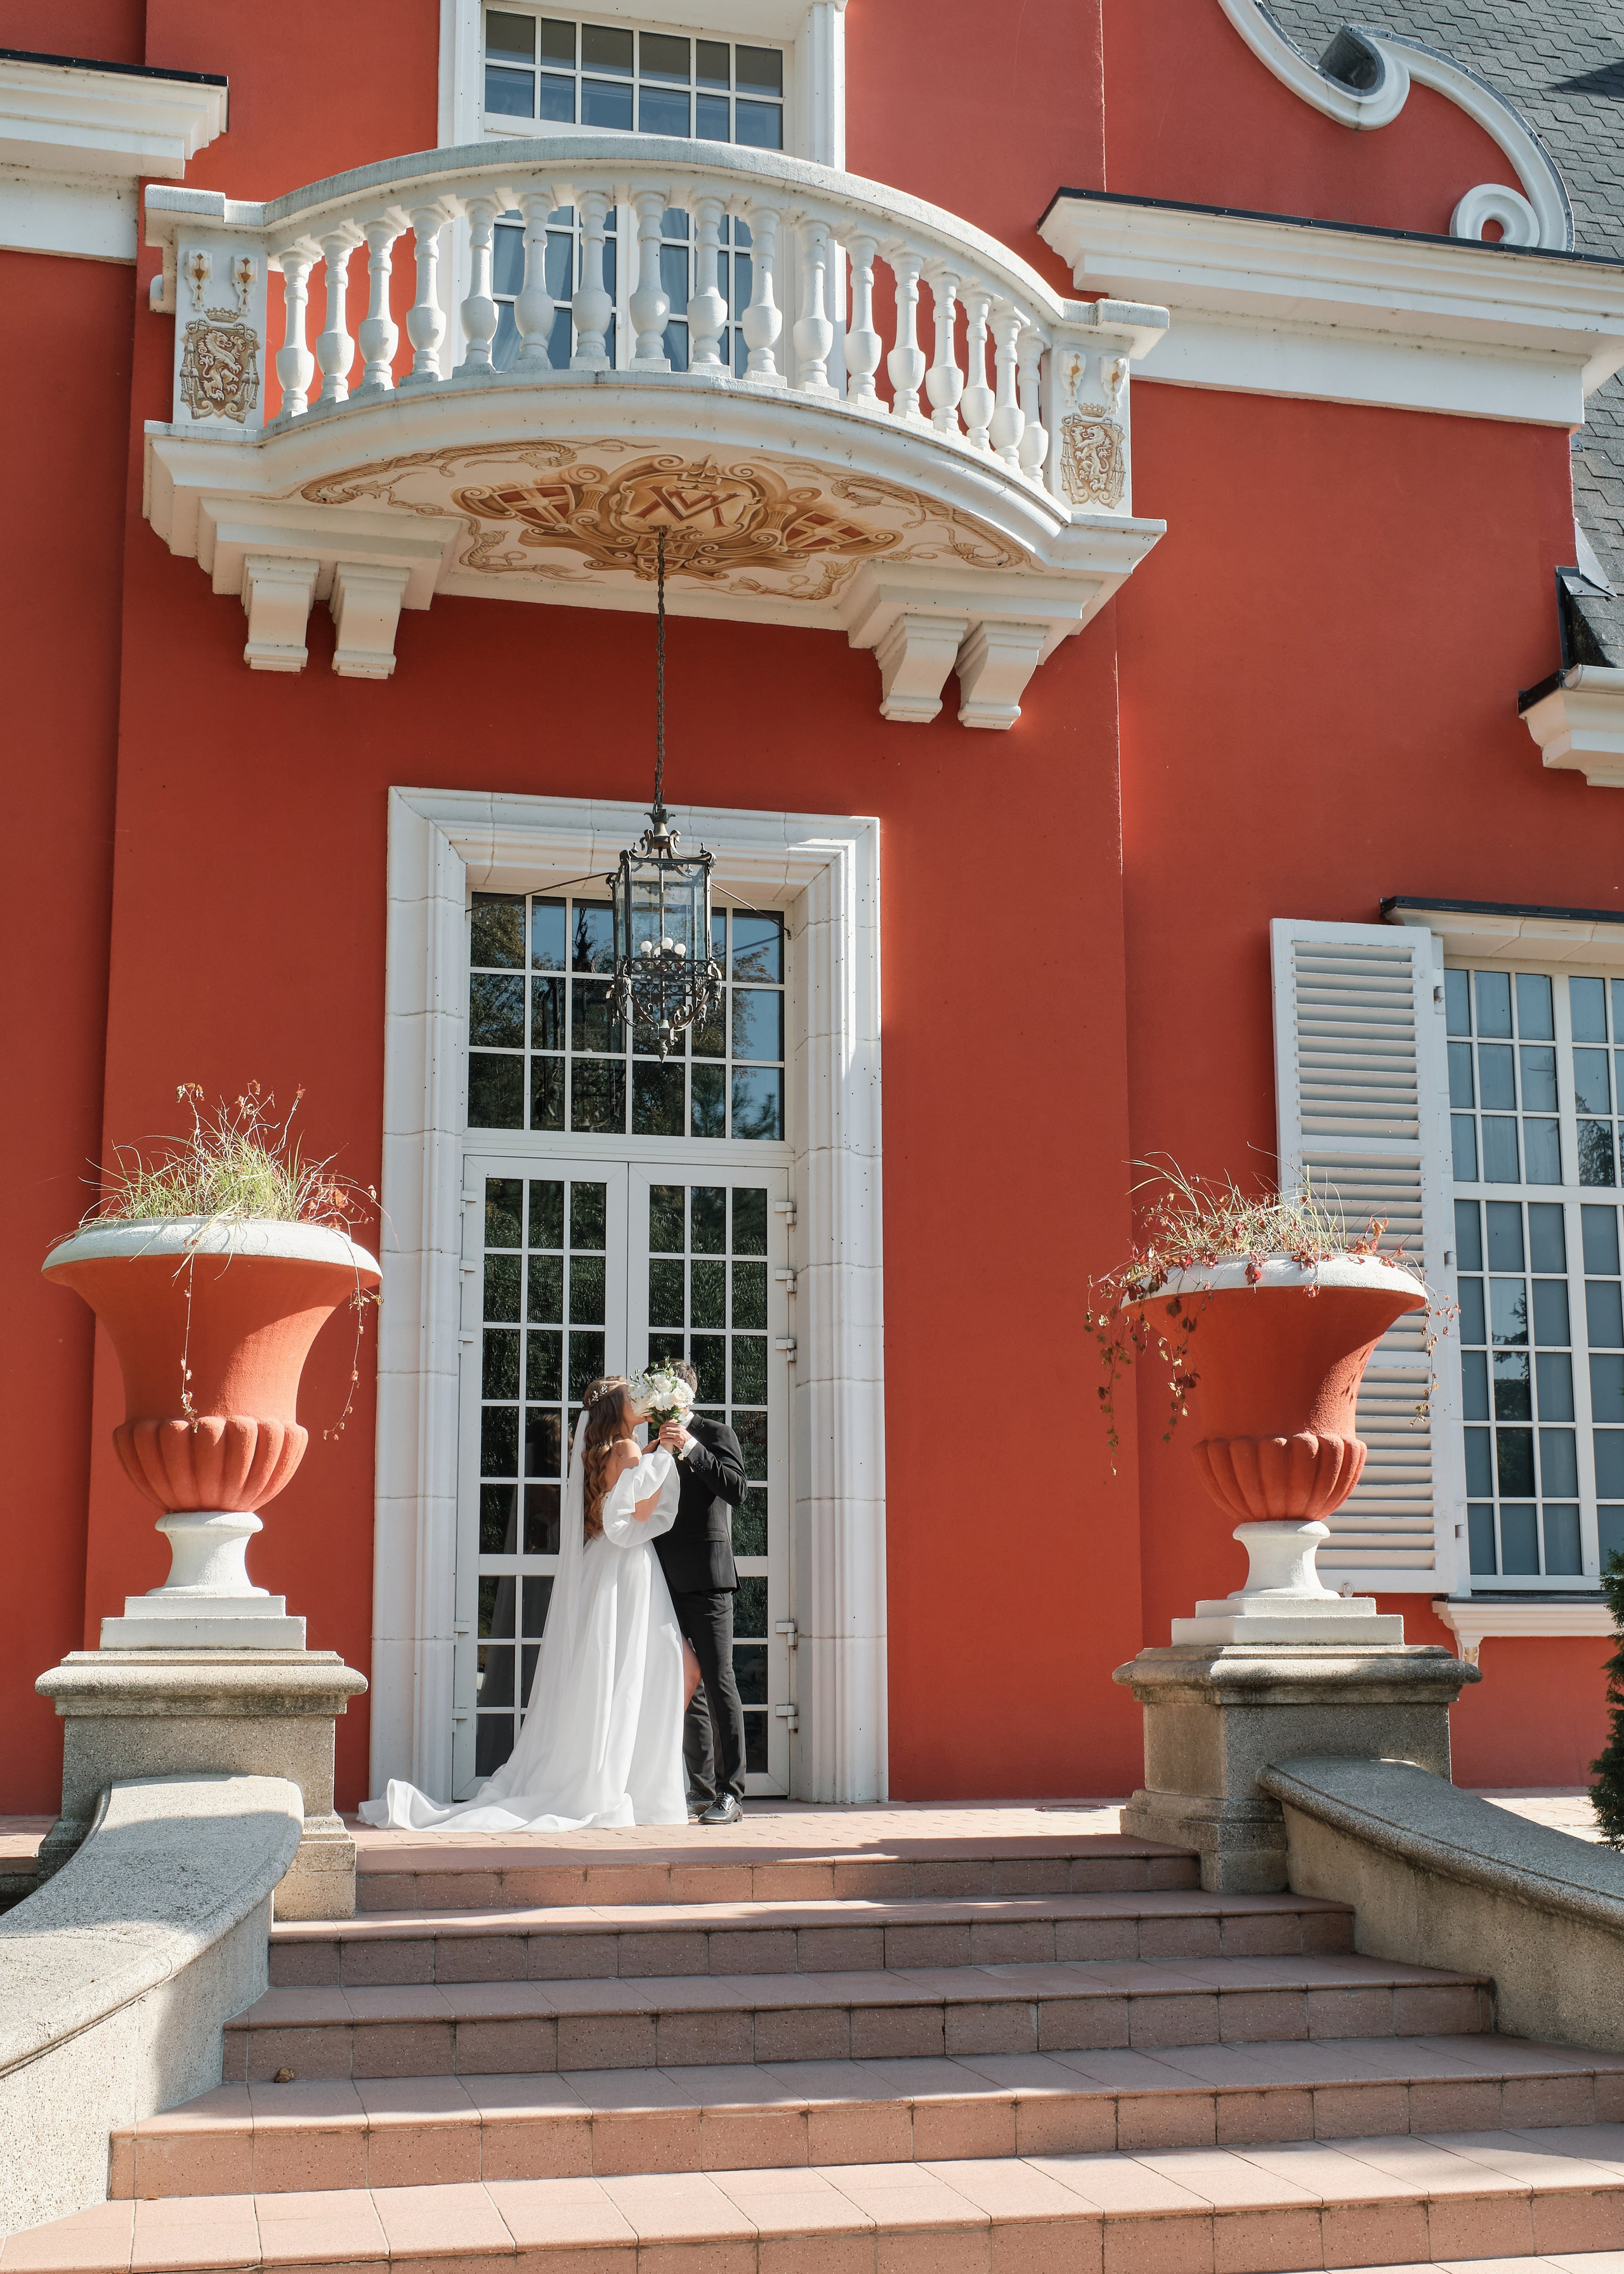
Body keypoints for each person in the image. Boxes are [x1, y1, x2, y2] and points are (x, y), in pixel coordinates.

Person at [358, 1378, 693, 1832]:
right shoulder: (629, 1450)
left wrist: (653, 1455)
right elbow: (641, 1514)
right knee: (636, 1672)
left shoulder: (608, 1451)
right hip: (627, 1568)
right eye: (631, 1395)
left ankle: (607, 1772)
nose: (641, 1400)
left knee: (610, 1672)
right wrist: (664, 1456)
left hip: (603, 1565)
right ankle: (629, 1785)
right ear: (618, 1408)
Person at [651, 1361, 750, 1826]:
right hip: (664, 1576)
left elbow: (737, 1490)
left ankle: (732, 1793)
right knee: (686, 1681)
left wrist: (691, 1448)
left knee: (718, 1679)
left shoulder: (715, 1434)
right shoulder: (654, 1441)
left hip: (709, 1580)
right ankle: (701, 1788)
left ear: (684, 1395)